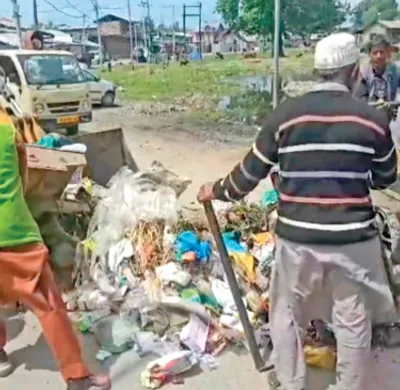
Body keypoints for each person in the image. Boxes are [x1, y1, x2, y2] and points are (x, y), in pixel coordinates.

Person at [197, 33, 397, 390]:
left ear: (319, 71)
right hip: (353, 240)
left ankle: (292, 383)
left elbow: (246, 177)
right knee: (352, 318)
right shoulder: (373, 120)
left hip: (297, 239)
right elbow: (385, 178)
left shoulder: (285, 115)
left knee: (286, 312)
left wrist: (214, 190)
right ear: (353, 72)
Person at [0, 107, 111, 390]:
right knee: (49, 306)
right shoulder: (4, 125)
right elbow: (25, 177)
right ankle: (77, 377)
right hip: (13, 232)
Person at [357, 35, 400, 119]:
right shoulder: (362, 73)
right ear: (370, 54)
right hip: (367, 117)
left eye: (382, 52)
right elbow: (358, 100)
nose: (378, 56)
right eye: (375, 53)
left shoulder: (395, 71)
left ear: (388, 53)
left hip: (387, 116)